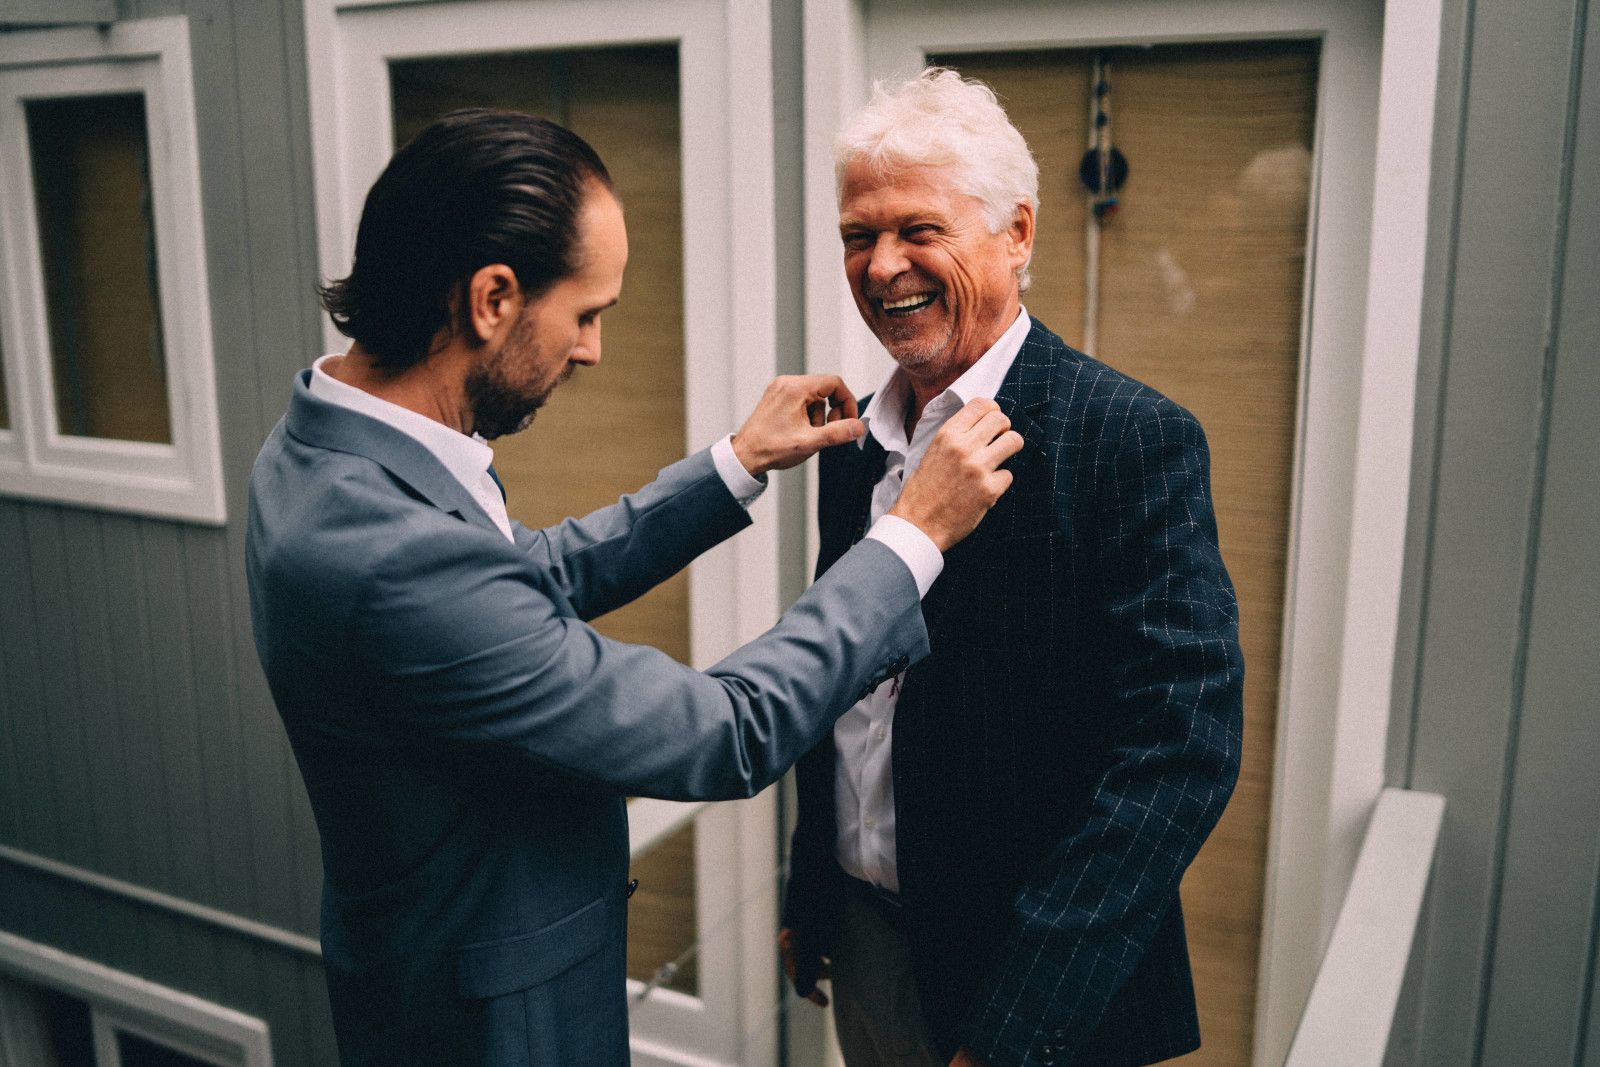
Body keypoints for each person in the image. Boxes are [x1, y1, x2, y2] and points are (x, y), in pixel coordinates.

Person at [245, 108, 1022, 1066]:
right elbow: (726, 730)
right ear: (492, 298)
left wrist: (734, 464)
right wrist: (909, 535)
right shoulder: (382, 551)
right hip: (494, 1024)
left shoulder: (330, 442)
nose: (592, 350)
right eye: (586, 314)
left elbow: (524, 579)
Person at [779, 69, 1245, 1067]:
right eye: (858, 236)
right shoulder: (856, 444)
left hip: (1036, 987)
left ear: (1017, 233)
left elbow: (1179, 753)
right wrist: (808, 887)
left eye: (919, 229)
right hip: (862, 944)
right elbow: (846, 699)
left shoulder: (1129, 437)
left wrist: (1021, 1027)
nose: (882, 265)